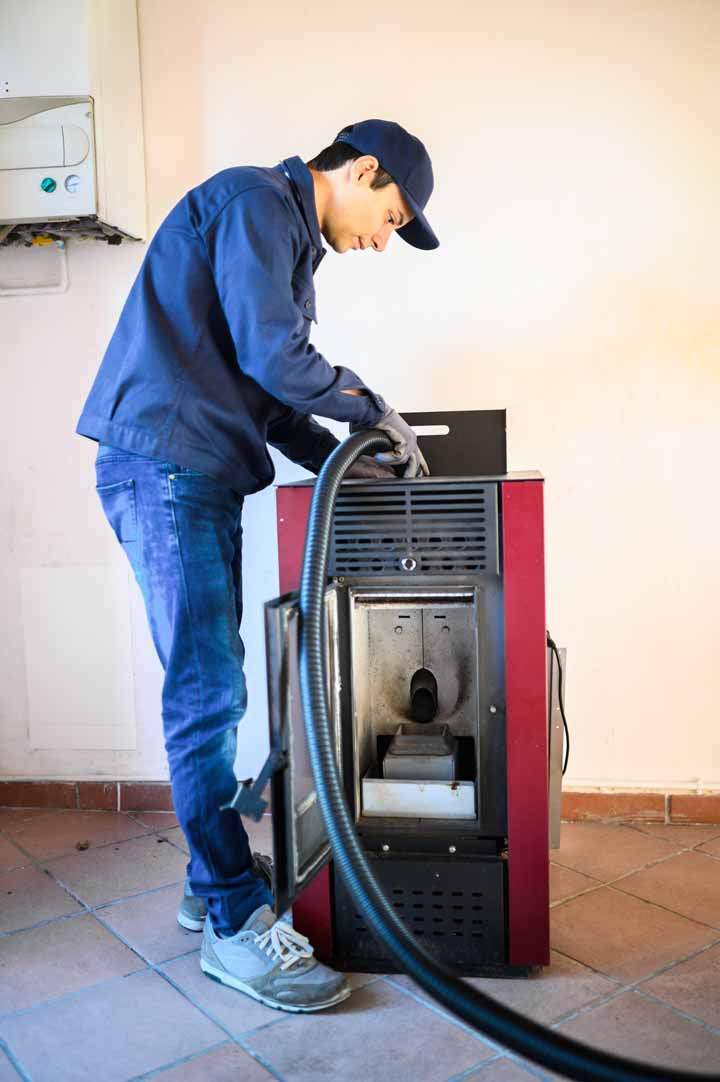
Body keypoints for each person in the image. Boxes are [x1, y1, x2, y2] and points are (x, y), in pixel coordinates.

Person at [76, 119, 438, 1013]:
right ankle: (236, 925)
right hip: (167, 465)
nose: (383, 239)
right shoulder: (255, 204)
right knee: (208, 694)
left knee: (217, 683)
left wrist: (343, 458)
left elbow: (269, 392)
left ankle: (212, 882)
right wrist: (374, 410)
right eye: (389, 216)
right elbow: (279, 359)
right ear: (360, 170)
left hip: (191, 467)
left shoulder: (282, 242)